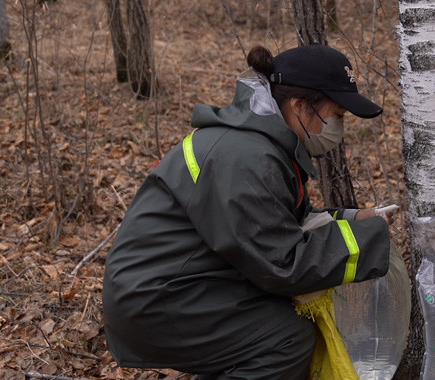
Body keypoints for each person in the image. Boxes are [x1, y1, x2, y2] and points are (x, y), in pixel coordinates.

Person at [103, 44, 394, 380]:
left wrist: (351, 220)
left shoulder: (257, 145)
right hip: (157, 300)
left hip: (181, 285)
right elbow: (282, 264)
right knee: (285, 339)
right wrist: (370, 239)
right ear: (300, 105)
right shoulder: (245, 157)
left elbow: (278, 226)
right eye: (337, 115)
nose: (338, 128)